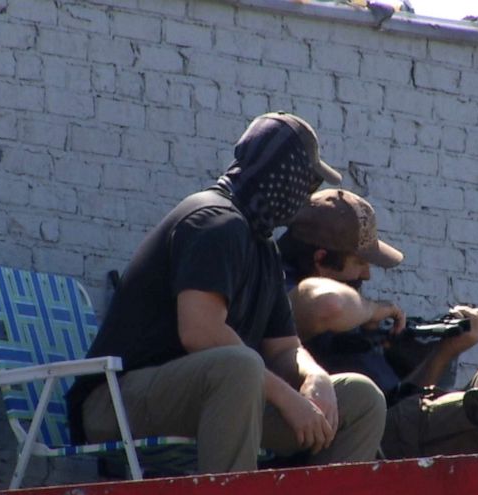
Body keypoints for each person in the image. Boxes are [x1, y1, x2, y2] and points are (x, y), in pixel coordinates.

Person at [65, 114, 386, 474]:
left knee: (360, 398)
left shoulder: (263, 245)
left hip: (220, 398)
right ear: (281, 174)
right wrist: (286, 398)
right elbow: (201, 333)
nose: (307, 194)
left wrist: (316, 378)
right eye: (305, 180)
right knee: (240, 365)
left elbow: (284, 348)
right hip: (117, 404)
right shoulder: (214, 221)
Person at [277, 188, 478, 459]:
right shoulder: (283, 292)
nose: (367, 275)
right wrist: (372, 310)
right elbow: (326, 305)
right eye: (360, 262)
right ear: (320, 259)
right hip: (382, 429)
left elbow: (409, 397)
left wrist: (447, 350)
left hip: (414, 416)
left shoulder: (351, 309)